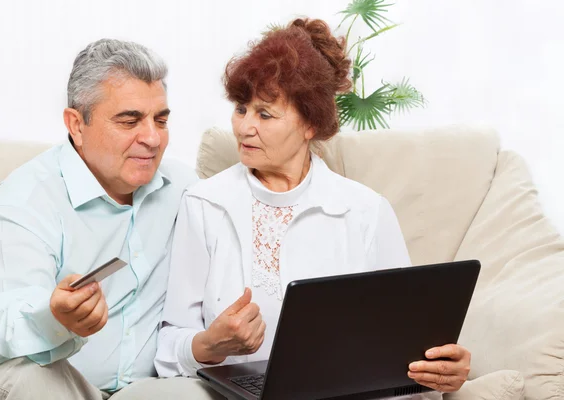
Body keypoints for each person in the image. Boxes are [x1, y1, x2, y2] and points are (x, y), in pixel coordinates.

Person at [155, 18, 471, 398]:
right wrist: (209, 345)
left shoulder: (366, 212)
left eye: (265, 114)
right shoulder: (204, 203)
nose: (244, 128)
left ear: (310, 123)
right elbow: (168, 346)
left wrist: (440, 369)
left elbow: (404, 344)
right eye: (241, 109)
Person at [0, 39, 220, 399]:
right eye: (129, 120)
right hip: (17, 374)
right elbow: (1, 324)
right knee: (36, 380)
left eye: (160, 120)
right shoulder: (21, 204)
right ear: (76, 125)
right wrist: (55, 317)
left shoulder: (184, 188)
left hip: (136, 389)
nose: (151, 138)